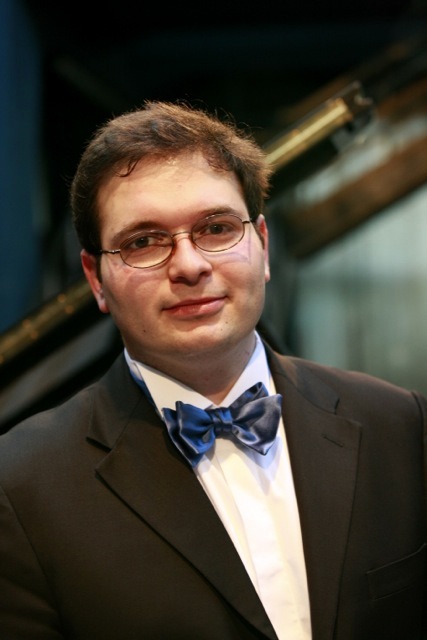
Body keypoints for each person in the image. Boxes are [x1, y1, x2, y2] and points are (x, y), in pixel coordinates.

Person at [0, 101, 426, 640]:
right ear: (96, 279)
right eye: (143, 242)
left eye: (217, 228)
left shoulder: (401, 425)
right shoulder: (19, 486)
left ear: (263, 246)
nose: (190, 265)